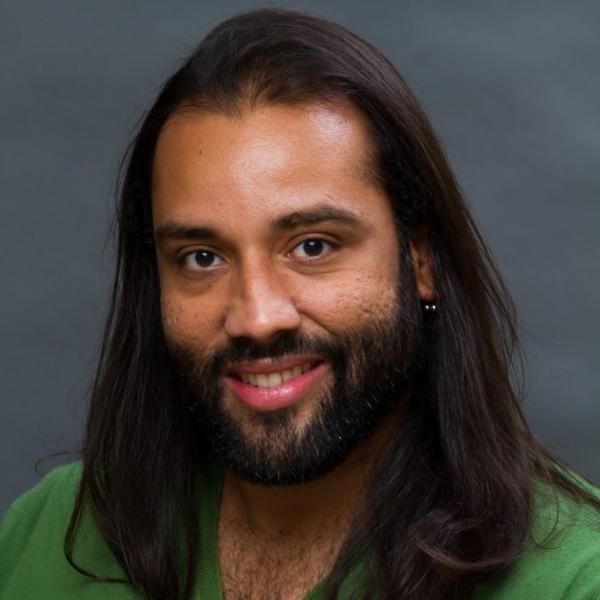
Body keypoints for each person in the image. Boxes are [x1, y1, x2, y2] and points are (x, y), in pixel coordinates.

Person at [1, 8, 599, 600]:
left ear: (420, 260)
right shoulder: (49, 534)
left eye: (312, 246)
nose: (257, 319)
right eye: (201, 258)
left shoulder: (573, 578)